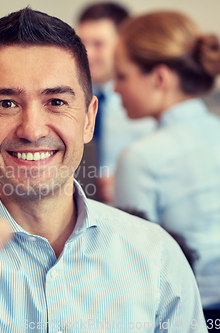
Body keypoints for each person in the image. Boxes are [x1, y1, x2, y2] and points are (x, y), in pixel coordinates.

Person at [0, 8, 206, 332]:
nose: (31, 130)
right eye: (6, 103)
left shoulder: (158, 257)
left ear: (89, 119)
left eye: (57, 102)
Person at [113, 11, 220, 329]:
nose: (115, 89)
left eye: (122, 76)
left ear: (160, 78)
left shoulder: (141, 157)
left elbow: (130, 273)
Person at [77, 2, 155, 203]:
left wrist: (123, 183)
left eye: (98, 44)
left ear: (123, 44)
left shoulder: (145, 104)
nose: (87, 54)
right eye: (82, 43)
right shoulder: (67, 99)